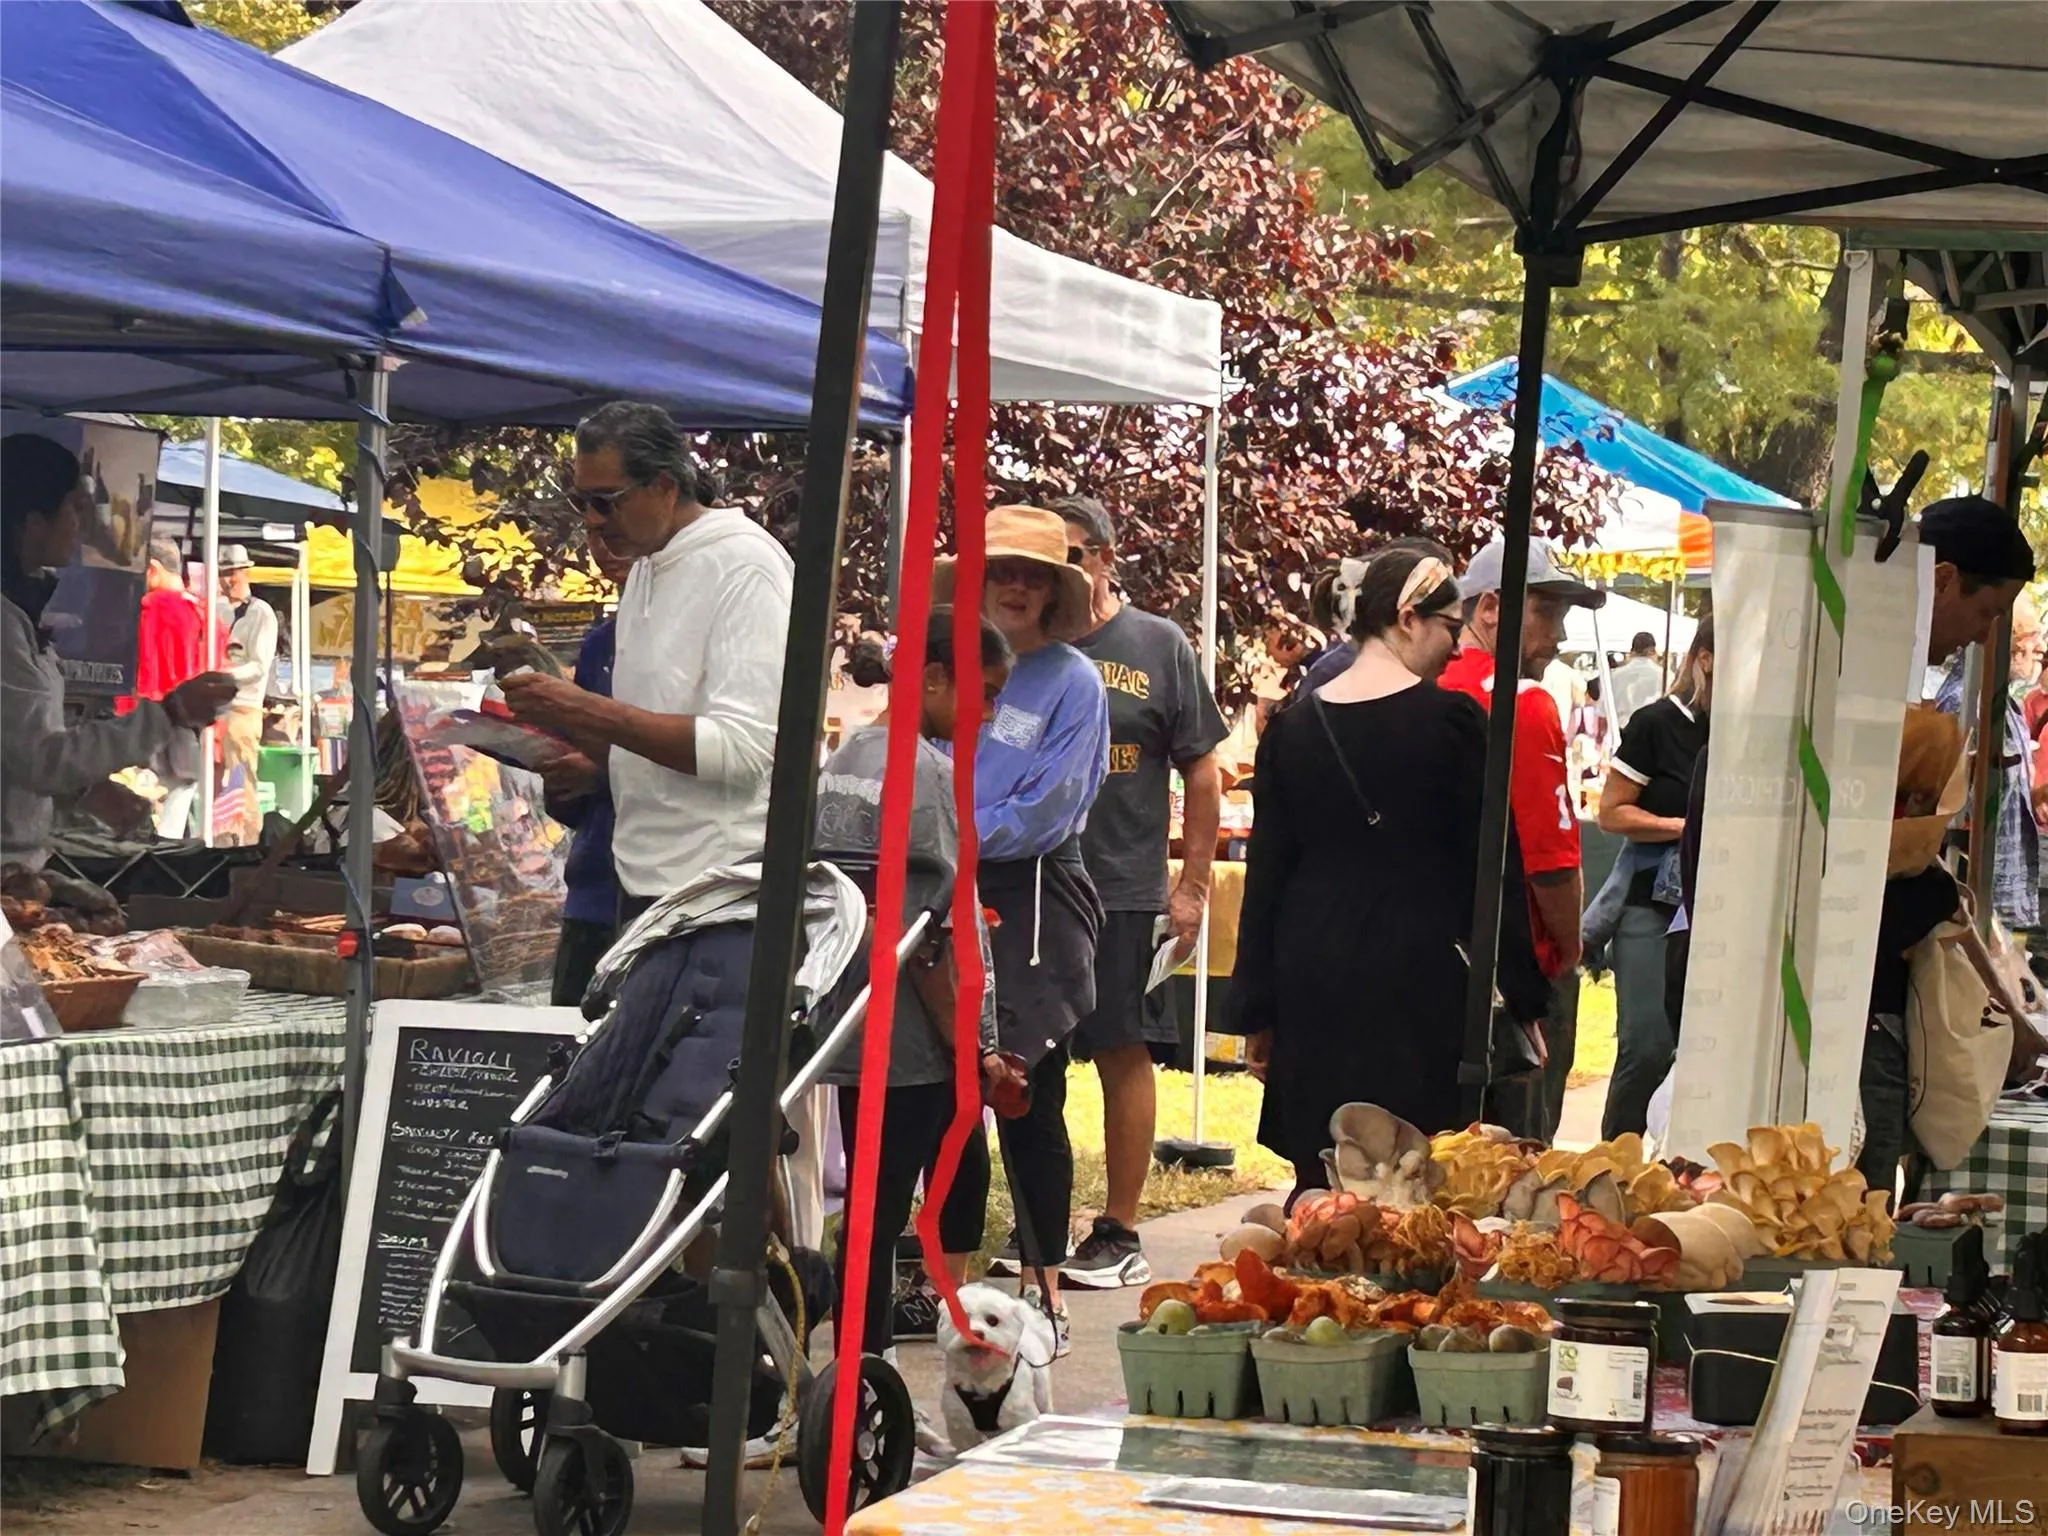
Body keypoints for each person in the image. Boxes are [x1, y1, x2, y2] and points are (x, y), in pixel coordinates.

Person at [1233, 544, 1548, 1192]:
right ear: (1408, 617)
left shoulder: (1292, 730)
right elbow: (1493, 870)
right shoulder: (1455, 723)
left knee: (1323, 1187)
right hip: (1417, 982)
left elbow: (1266, 877)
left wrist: (1256, 1012)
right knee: (1420, 1185)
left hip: (1312, 973)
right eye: (1450, 628)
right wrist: (1524, 996)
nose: (1457, 648)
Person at [501, 402, 791, 925]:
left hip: (720, 888)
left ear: (664, 486)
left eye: (605, 501)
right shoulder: (645, 568)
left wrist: (584, 708)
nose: (591, 519)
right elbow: (643, 746)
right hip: (639, 881)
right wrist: (554, 723)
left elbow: (745, 750)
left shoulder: (746, 564)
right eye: (581, 500)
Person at [930, 504, 1109, 1353]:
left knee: (1027, 1095)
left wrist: (948, 829)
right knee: (949, 1093)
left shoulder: (1075, 680)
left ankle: (1044, 1291)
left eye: (1032, 574)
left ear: (1054, 589)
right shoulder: (945, 663)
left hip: (1031, 898)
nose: (1014, 585)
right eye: (1000, 569)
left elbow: (1050, 808)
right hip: (941, 894)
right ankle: (952, 1291)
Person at [814, 608, 1012, 1362]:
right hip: (916, 1036)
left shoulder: (844, 761)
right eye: (983, 692)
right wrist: (976, 1044)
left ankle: (862, 1371)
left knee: (871, 1204)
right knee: (899, 1203)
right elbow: (929, 932)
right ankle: (864, 1379)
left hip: (854, 1025)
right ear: (934, 678)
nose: (988, 712)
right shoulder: (926, 773)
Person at [1057, 496, 1227, 1290]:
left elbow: (1202, 767)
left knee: (1122, 1050)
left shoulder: (1157, 644)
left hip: (1122, 886)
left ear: (1107, 557)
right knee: (1031, 1060)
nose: (1066, 570)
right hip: (1033, 884)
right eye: (1050, 556)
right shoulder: (1022, 641)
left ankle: (1120, 1231)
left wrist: (1192, 887)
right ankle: (1038, 1225)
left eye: (1078, 553)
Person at [1861, 495, 2036, 1200]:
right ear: (1942, 579)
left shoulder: (1899, 694)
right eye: (1986, 612)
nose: (1978, 636)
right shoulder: (1850, 687)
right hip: (1845, 1009)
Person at [2, 435, 235, 868]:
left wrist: (85, 790)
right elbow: (39, 758)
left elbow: (16, 754)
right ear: (33, 523)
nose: (83, 525)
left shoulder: (22, 610)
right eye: (74, 508)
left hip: (21, 871)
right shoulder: (4, 625)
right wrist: (169, 713)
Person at [1439, 538, 1604, 1141]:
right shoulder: (1523, 703)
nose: (1558, 636)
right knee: (1516, 1158)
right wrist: (1565, 953)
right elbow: (1551, 862)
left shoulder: (1411, 689)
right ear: (1489, 608)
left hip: (1419, 955)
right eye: (1545, 613)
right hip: (1513, 965)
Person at [1594, 617, 1713, 1139]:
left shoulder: (1752, 727)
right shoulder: (1656, 723)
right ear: (1704, 658)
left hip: (1718, 911)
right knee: (1646, 1047)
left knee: (1701, 1054)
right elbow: (1611, 813)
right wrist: (1684, 827)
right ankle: (1611, 1170)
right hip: (1653, 906)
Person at [539, 530, 634, 1007]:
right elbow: (575, 806)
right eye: (596, 533)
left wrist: (600, 772)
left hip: (666, 893)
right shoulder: (600, 644)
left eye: (614, 519)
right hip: (593, 890)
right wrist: (558, 775)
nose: (608, 544)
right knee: (571, 1055)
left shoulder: (696, 640)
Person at [1935, 582, 2042, 933]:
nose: (2039, 648)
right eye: (2032, 637)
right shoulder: (1965, 704)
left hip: (1998, 895)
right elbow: (1955, 804)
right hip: (1976, 896)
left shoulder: (2002, 704)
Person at [120, 538, 210, 838]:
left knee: (143, 811)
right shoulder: (204, 612)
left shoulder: (148, 609)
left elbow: (139, 669)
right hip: (192, 727)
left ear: (152, 569)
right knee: (178, 804)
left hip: (150, 720)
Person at [218, 543, 278, 844]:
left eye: (233, 573)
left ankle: (249, 842)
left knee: (242, 782)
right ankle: (218, 842)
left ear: (246, 573)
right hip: (213, 708)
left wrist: (221, 675)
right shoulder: (217, 609)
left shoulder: (261, 613)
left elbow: (258, 665)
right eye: (223, 573)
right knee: (215, 782)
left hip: (242, 707)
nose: (228, 580)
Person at [1608, 631, 1664, 728]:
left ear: (1632, 652)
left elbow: (1603, 712)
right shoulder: (1665, 675)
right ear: (1654, 652)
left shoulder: (1614, 676)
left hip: (1622, 731)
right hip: (1654, 732)